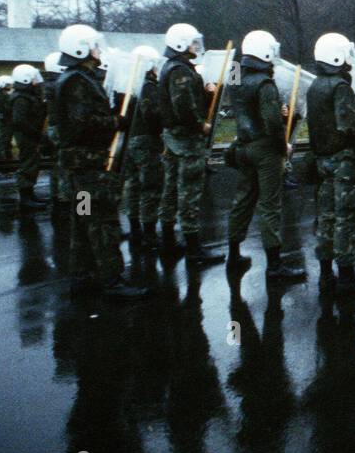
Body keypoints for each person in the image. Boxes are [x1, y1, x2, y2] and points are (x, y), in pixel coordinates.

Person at [55, 24, 144, 299]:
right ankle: (112, 281)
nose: (97, 49)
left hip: (78, 166)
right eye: (93, 45)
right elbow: (83, 123)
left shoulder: (75, 78)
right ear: (80, 49)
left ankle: (82, 276)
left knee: (83, 220)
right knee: (103, 220)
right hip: (89, 166)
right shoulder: (77, 82)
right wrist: (116, 121)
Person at [225, 30, 305, 282]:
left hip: (243, 145)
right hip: (264, 149)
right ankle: (274, 266)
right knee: (270, 205)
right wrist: (284, 147)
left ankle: (234, 254)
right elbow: (272, 124)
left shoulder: (236, 78)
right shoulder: (264, 83)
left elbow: (247, 110)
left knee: (243, 199)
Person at [307, 32, 355, 296]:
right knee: (345, 219)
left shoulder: (316, 85)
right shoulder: (339, 86)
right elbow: (348, 126)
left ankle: (326, 276)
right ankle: (347, 279)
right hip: (342, 163)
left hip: (323, 161)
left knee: (325, 218)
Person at [157, 22, 225, 267]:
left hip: (175, 138)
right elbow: (184, 107)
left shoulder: (173, 67)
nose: (197, 46)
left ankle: (167, 240)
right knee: (189, 192)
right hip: (186, 140)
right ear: (181, 44)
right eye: (193, 42)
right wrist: (201, 125)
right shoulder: (181, 71)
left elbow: (186, 100)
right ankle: (194, 249)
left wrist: (206, 92)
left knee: (172, 189)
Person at [120, 45, 164, 253]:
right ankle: (149, 233)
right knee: (150, 187)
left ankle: (135, 228)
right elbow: (152, 114)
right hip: (146, 141)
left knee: (133, 185)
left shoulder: (129, 84)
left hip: (132, 139)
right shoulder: (148, 86)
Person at [9, 64, 47, 210]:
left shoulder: (26, 96)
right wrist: (37, 135)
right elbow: (20, 121)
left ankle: (30, 195)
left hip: (29, 135)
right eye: (33, 79)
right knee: (27, 165)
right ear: (25, 79)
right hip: (27, 137)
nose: (36, 82)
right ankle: (26, 199)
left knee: (32, 164)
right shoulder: (21, 98)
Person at [42, 51, 70, 217]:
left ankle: (58, 202)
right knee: (75, 174)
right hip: (63, 130)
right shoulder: (61, 85)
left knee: (57, 167)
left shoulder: (50, 86)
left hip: (54, 129)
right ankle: (81, 211)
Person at [0, 76, 14, 161]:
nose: (10, 86)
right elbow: (5, 110)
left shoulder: (4, 95)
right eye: (8, 85)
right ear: (3, 85)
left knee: (7, 140)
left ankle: (8, 157)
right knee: (3, 139)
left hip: (7, 121)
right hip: (5, 121)